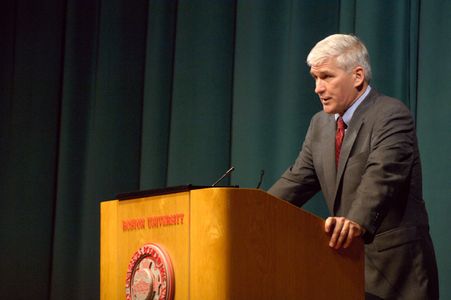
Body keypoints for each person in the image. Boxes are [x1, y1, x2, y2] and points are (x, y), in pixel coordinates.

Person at [268, 34, 439, 299]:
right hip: (347, 270)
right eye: (315, 78)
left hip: (398, 274)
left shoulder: (390, 114)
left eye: (326, 76)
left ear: (357, 76)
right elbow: (296, 181)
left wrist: (356, 220)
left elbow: (382, 176)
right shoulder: (320, 125)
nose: (318, 88)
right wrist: (252, 213)